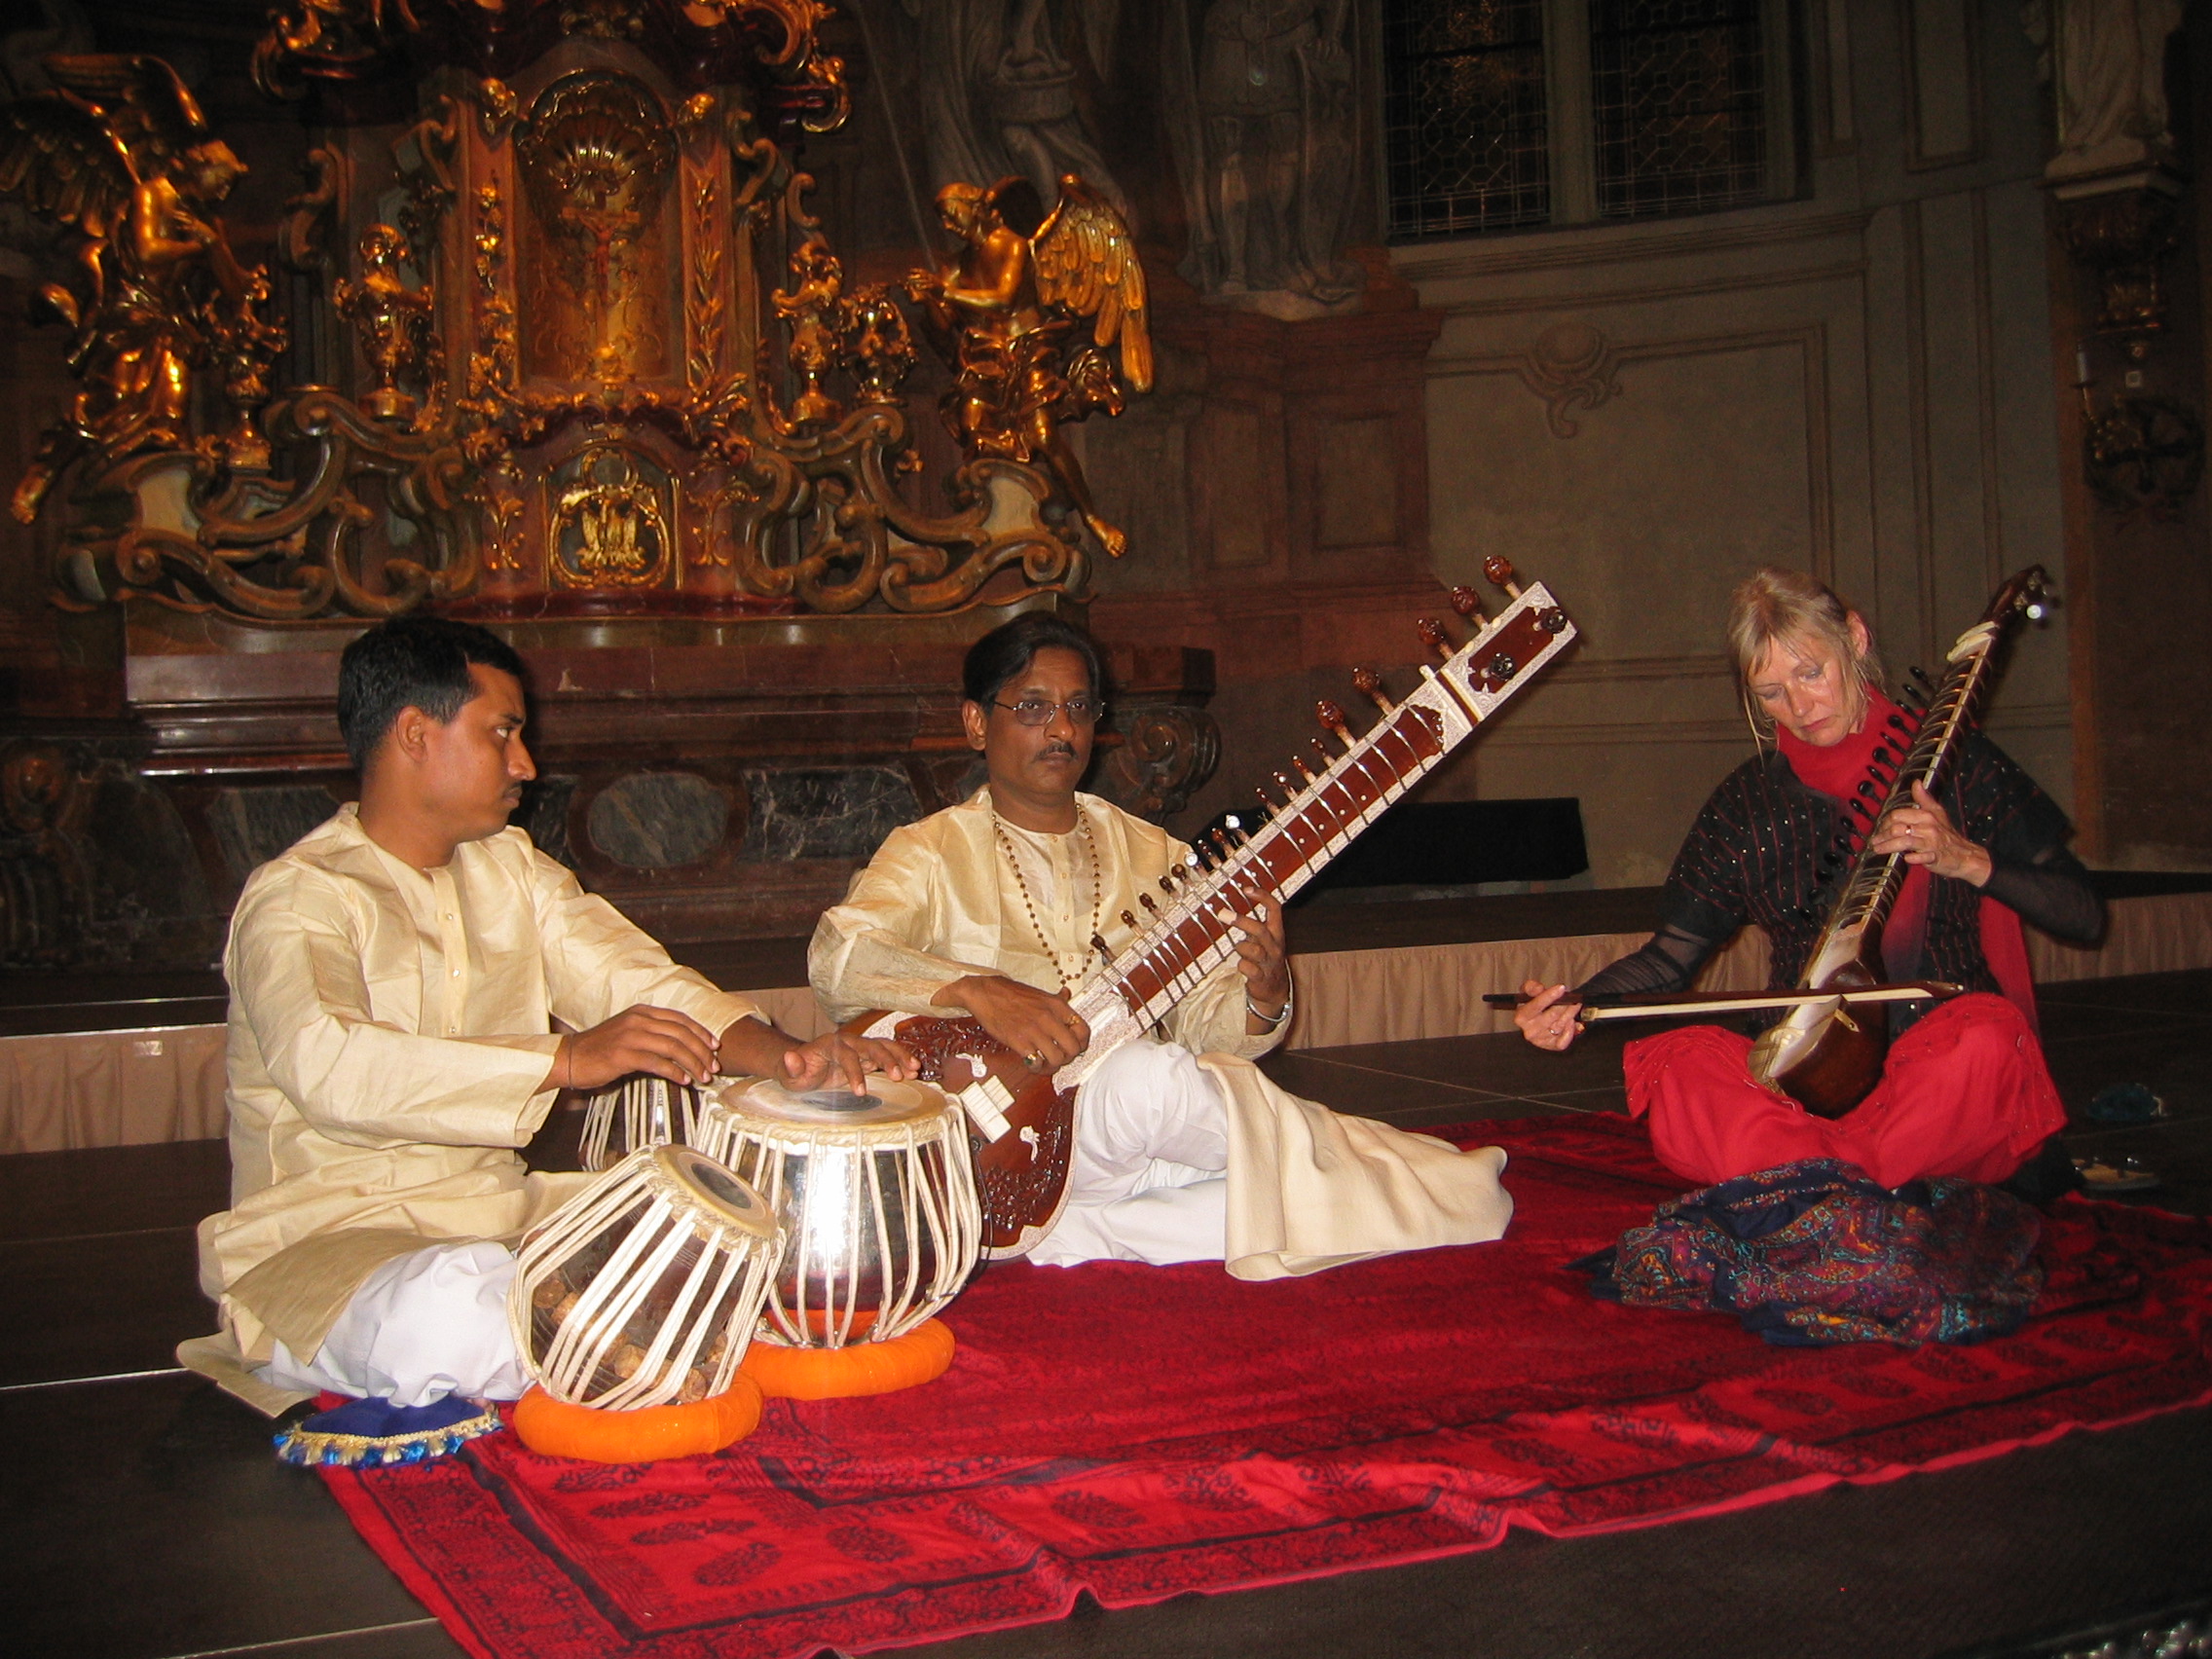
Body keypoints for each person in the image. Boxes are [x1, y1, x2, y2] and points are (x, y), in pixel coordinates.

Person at [184, 617, 908, 1418]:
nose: (525, 763)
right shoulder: (299, 899)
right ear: (416, 733)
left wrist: (786, 1058)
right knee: (455, 1315)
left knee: (744, 1235)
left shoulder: (510, 870)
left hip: (502, 1220)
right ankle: (566, 1338)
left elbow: (632, 977)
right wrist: (562, 1062)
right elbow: (329, 1065)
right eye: (502, 733)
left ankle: (579, 1338)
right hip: (330, 1247)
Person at [811, 611, 1514, 1272]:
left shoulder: (1150, 852)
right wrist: (975, 989)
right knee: (1154, 1082)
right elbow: (838, 957)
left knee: (1269, 1190)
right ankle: (1399, 1172)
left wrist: (1262, 991)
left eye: (1079, 708)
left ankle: (1067, 1237)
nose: (1061, 729)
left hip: (1110, 1146)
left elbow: (1213, 1031)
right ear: (975, 722)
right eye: (1032, 707)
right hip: (990, 1136)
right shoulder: (929, 851)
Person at [1515, 568, 2102, 1194]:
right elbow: (1671, 957)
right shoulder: (1747, 801)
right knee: (1684, 1065)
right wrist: (1578, 1007)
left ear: (1855, 638)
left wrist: (1966, 859)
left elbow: (2084, 915)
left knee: (1987, 1040)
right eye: (1770, 692)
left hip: (1932, 1064)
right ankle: (1851, 1181)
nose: (1798, 709)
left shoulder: (1955, 761)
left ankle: (1802, 1183)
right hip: (1800, 1077)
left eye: (1810, 674)